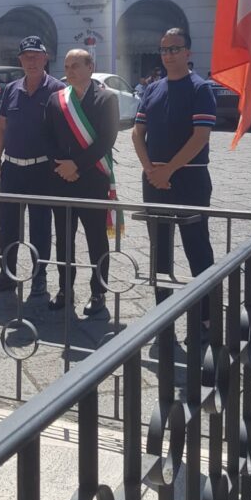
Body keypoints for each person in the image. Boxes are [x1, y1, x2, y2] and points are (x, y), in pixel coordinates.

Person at [132, 28, 216, 306]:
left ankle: (206, 316)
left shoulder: (200, 88)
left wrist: (168, 170)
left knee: (197, 247)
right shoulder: (153, 88)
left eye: (175, 49)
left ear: (188, 52)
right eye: (164, 49)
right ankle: (162, 313)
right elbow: (137, 132)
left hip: (190, 178)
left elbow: (200, 136)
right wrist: (150, 169)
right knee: (160, 250)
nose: (168, 54)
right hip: (154, 179)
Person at [0, 35, 64, 297]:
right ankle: (6, 275)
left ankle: (39, 277)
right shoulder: (11, 89)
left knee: (40, 226)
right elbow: (2, 126)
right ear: (20, 60)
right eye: (25, 57)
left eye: (35, 56)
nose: (31, 61)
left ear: (45, 58)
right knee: (7, 224)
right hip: (12, 170)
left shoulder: (56, 90)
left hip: (42, 170)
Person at [44, 48, 119, 315]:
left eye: (76, 65)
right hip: (61, 179)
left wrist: (77, 165)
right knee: (63, 239)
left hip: (92, 180)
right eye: (66, 65)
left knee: (96, 239)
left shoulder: (106, 98)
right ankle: (66, 289)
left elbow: (107, 139)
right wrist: (63, 166)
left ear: (90, 67)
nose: (70, 70)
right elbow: (48, 138)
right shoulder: (56, 100)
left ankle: (99, 291)